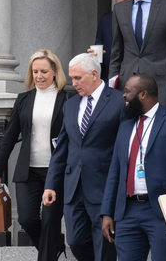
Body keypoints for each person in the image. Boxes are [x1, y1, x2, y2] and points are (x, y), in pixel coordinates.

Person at [100, 74, 166, 261]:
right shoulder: (125, 126)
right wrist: (107, 212)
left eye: (128, 92)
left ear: (143, 94)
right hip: (127, 211)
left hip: (160, 211)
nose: (124, 96)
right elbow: (115, 171)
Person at [43, 53, 124, 261]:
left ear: (94, 74)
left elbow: (124, 147)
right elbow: (61, 149)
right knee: (75, 241)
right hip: (73, 188)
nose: (73, 83)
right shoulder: (70, 105)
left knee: (105, 246)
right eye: (72, 78)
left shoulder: (118, 101)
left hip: (103, 185)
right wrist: (51, 184)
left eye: (78, 78)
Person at [0, 49, 69, 261]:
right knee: (26, 219)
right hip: (28, 171)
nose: (39, 76)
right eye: (35, 71)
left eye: (44, 71)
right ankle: (55, 246)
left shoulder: (67, 99)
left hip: (56, 171)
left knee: (50, 222)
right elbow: (8, 137)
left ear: (54, 72)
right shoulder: (24, 99)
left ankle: (48, 254)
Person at [94, 0, 129, 83]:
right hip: (109, 74)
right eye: (118, 6)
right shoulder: (106, 19)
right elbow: (98, 44)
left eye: (125, 6)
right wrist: (95, 56)